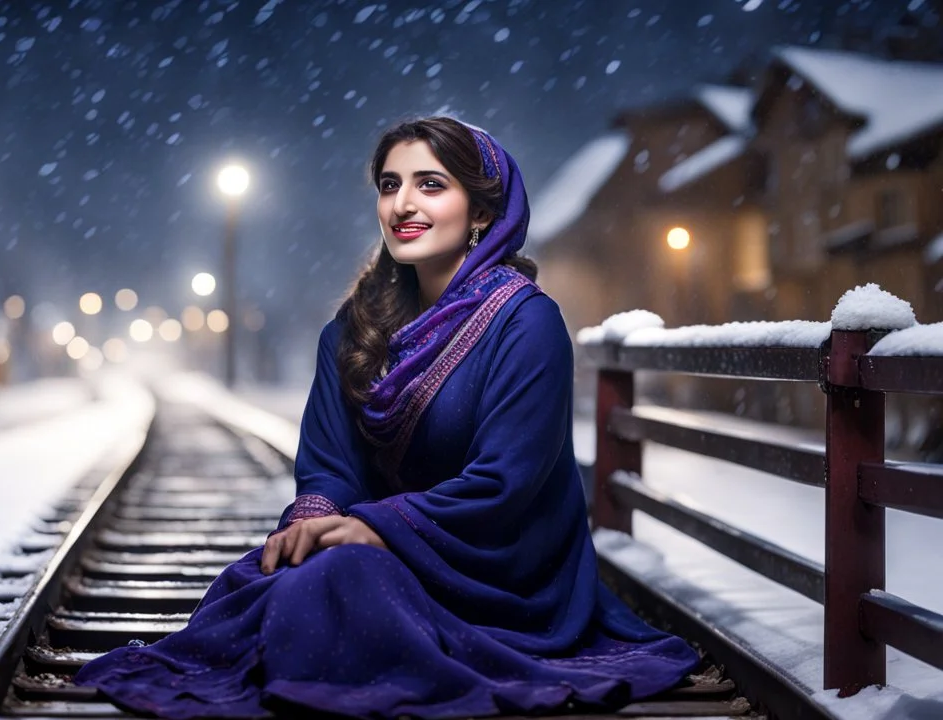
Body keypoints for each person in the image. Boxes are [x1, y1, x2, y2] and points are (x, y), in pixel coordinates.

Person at [74, 116, 700, 718]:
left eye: (431, 184)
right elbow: (328, 463)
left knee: (341, 578)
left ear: (482, 211)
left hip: (501, 565)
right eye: (390, 185)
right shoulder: (354, 330)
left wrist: (377, 530)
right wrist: (316, 519)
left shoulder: (526, 324)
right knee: (276, 576)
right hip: (388, 548)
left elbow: (506, 483)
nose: (403, 203)